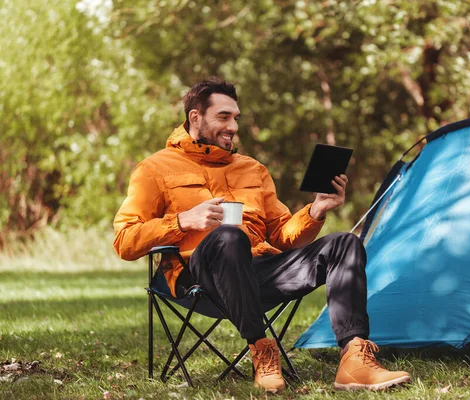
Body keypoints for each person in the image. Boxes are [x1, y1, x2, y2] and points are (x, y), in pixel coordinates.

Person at [113, 77, 411, 392]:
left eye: (236, 118)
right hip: (198, 277)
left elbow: (282, 235)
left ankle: (355, 360)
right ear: (195, 118)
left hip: (259, 271)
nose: (233, 127)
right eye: (223, 117)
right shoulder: (155, 169)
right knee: (229, 237)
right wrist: (182, 221)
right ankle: (261, 348)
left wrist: (315, 211)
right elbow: (125, 240)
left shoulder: (252, 170)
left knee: (343, 243)